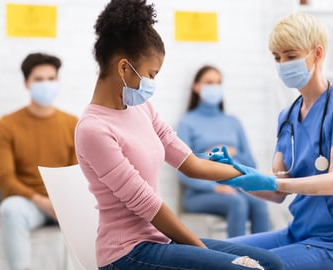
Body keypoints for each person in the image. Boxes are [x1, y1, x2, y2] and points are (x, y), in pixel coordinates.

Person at [74, 0, 283, 269]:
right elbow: (147, 205)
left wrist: (250, 175)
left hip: (160, 240)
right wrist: (205, 252)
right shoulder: (94, 129)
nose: (152, 83)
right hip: (127, 254)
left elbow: (192, 164)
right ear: (124, 68)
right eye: (151, 74)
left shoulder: (142, 109)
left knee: (271, 263)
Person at [209, 12, 333, 270]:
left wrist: (273, 181)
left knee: (243, 267)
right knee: (211, 253)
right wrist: (237, 176)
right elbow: (277, 192)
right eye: (277, 57)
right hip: (297, 234)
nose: (283, 64)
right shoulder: (287, 118)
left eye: (291, 55)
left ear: (317, 54)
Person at [0, 52, 78, 270]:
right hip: (29, 204)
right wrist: (44, 202)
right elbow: (5, 180)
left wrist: (62, 203)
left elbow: (76, 174)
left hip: (65, 205)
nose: (46, 84)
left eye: (51, 79)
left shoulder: (72, 124)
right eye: (39, 79)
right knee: (10, 209)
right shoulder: (6, 125)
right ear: (26, 83)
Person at [177, 65, 271, 238]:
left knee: (259, 204)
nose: (215, 87)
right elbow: (183, 170)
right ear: (196, 87)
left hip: (235, 189)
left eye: (218, 83)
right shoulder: (187, 122)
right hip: (200, 194)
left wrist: (233, 153)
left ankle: (264, 258)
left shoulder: (233, 122)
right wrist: (215, 185)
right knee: (237, 203)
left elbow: (250, 164)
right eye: (209, 82)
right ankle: (236, 261)